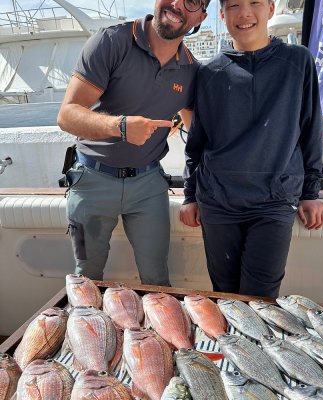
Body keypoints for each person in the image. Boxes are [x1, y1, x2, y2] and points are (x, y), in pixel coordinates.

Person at [180, 0, 323, 298]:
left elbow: (311, 129)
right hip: (218, 202)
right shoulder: (209, 72)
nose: (245, 13)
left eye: (255, 3)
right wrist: (189, 195)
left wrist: (311, 193)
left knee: (261, 298)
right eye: (234, 5)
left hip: (274, 202)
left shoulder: (298, 61)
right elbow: (197, 141)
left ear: (271, 9)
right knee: (224, 295)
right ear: (223, 14)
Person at [57, 0, 209, 284]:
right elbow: (67, 115)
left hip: (148, 186)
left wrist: (196, 193)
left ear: (202, 16)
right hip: (90, 181)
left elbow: (199, 139)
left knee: (158, 280)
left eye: (191, 1)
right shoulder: (110, 41)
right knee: (86, 279)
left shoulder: (192, 70)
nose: (177, 4)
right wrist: (121, 126)